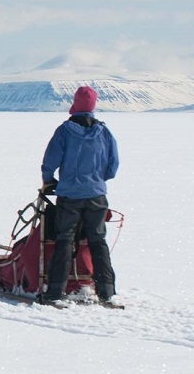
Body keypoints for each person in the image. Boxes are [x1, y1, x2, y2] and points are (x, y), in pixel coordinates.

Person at [39, 85, 121, 308]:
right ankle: (107, 292)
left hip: (69, 196)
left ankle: (55, 292)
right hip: (97, 196)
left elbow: (50, 160)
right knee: (97, 241)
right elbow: (113, 166)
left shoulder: (65, 131)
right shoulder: (104, 132)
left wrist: (49, 180)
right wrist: (96, 179)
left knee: (64, 240)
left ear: (75, 104)